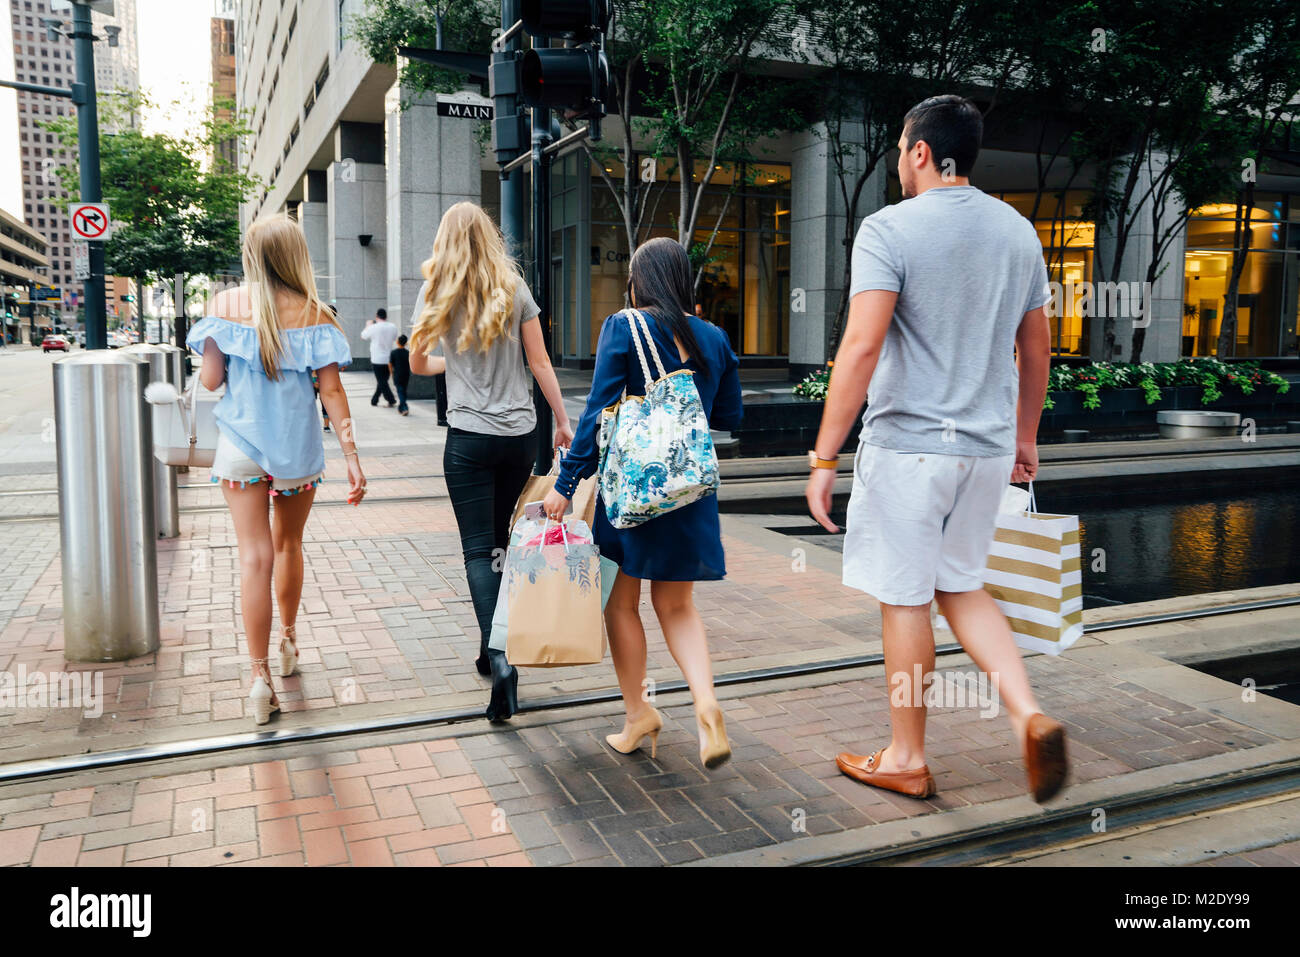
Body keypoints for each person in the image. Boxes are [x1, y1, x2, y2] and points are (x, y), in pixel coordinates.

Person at [804, 95, 1066, 803]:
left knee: (905, 598)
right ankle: (1028, 713)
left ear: (921, 151)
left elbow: (860, 347)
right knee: (962, 585)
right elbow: (1037, 347)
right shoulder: (1018, 232)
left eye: (898, 146)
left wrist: (824, 455)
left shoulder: (887, 230)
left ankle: (907, 756)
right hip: (984, 452)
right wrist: (1025, 436)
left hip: (911, 447)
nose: (896, 160)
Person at [542, 238, 743, 771]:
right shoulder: (715, 337)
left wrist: (565, 483)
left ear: (639, 279)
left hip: (632, 492)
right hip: (689, 490)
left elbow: (596, 411)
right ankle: (706, 702)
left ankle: (639, 715)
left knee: (621, 604)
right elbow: (729, 416)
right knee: (677, 606)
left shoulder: (624, 326)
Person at [186, 216, 366, 726]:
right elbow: (332, 393)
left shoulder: (223, 307)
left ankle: (259, 679)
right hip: (297, 452)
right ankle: (288, 641)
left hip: (241, 446)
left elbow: (213, 380)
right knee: (289, 545)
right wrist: (352, 457)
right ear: (296, 256)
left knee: (253, 558)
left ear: (250, 255)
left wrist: (214, 359)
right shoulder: (318, 315)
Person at [408, 201, 573, 722]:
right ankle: (492, 648)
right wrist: (564, 421)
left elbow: (416, 362)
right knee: (503, 543)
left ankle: (500, 659)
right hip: (519, 437)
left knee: (479, 551)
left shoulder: (436, 289)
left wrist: (451, 365)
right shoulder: (513, 288)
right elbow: (539, 361)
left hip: (468, 441)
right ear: (489, 236)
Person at [362, 307, 399, 407]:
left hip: (377, 358)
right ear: (386, 316)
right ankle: (374, 400)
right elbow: (395, 338)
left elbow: (363, 336)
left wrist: (368, 325)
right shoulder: (393, 326)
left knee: (381, 381)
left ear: (377, 316)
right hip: (388, 358)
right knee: (383, 381)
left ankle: (391, 400)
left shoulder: (373, 327)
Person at [391, 334, 411, 415]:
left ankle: (404, 408)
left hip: (397, 374)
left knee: (400, 391)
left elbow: (390, 364)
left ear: (397, 342)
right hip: (406, 374)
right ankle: (401, 407)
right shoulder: (408, 353)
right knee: (404, 391)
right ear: (406, 343)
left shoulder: (394, 352)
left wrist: (391, 373)